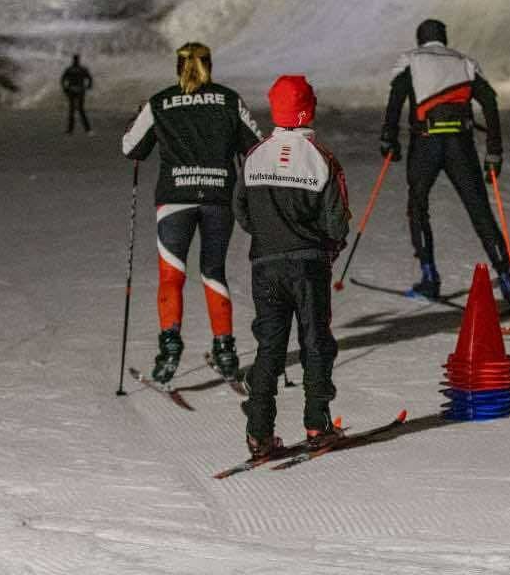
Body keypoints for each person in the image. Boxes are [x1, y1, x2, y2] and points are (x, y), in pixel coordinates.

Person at [121, 42, 261, 384]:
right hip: (218, 196)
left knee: (172, 275)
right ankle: (225, 351)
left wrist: (140, 115)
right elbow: (255, 146)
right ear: (209, 66)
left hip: (175, 199)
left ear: (177, 67)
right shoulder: (229, 100)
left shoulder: (160, 102)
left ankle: (169, 351)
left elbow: (131, 148)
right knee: (213, 270)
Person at [235, 74, 350, 459]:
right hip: (309, 266)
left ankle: (259, 432)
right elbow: (337, 222)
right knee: (315, 342)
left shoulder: (254, 156)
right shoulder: (321, 159)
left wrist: (269, 234)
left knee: (270, 345)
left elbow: (242, 211)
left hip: (265, 266)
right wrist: (324, 245)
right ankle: (317, 423)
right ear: (308, 109)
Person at [380, 18, 510, 308]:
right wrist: (494, 150)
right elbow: (490, 102)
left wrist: (389, 138)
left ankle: (429, 278)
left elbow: (396, 99)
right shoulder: (465, 62)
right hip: (460, 145)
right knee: (480, 211)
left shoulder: (411, 60)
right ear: (444, 38)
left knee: (418, 206)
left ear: (420, 38)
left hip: (425, 143)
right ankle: (509, 283)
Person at [61, 54, 94, 134]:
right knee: (79, 111)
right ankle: (87, 129)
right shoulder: (82, 69)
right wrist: (88, 87)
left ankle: (71, 130)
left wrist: (65, 89)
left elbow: (63, 80)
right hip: (79, 91)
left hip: (74, 91)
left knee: (74, 111)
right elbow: (89, 78)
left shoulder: (70, 69)